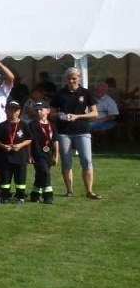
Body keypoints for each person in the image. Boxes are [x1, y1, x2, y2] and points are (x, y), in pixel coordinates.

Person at [50, 67, 100, 199]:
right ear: (66, 79)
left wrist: (78, 117)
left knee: (87, 161)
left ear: (79, 78)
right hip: (64, 132)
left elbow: (95, 113)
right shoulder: (59, 94)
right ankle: (69, 190)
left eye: (74, 78)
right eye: (69, 78)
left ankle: (89, 191)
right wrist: (60, 115)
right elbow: (51, 114)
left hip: (82, 131)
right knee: (67, 162)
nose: (71, 81)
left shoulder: (86, 93)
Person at [27, 100, 58, 203]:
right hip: (37, 154)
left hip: (48, 153)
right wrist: (29, 155)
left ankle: (35, 194)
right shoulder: (32, 125)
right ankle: (48, 195)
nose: (39, 112)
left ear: (48, 111)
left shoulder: (52, 125)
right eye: (37, 110)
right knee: (45, 172)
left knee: (41, 174)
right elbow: (29, 141)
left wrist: (56, 155)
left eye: (41, 109)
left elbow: (55, 141)